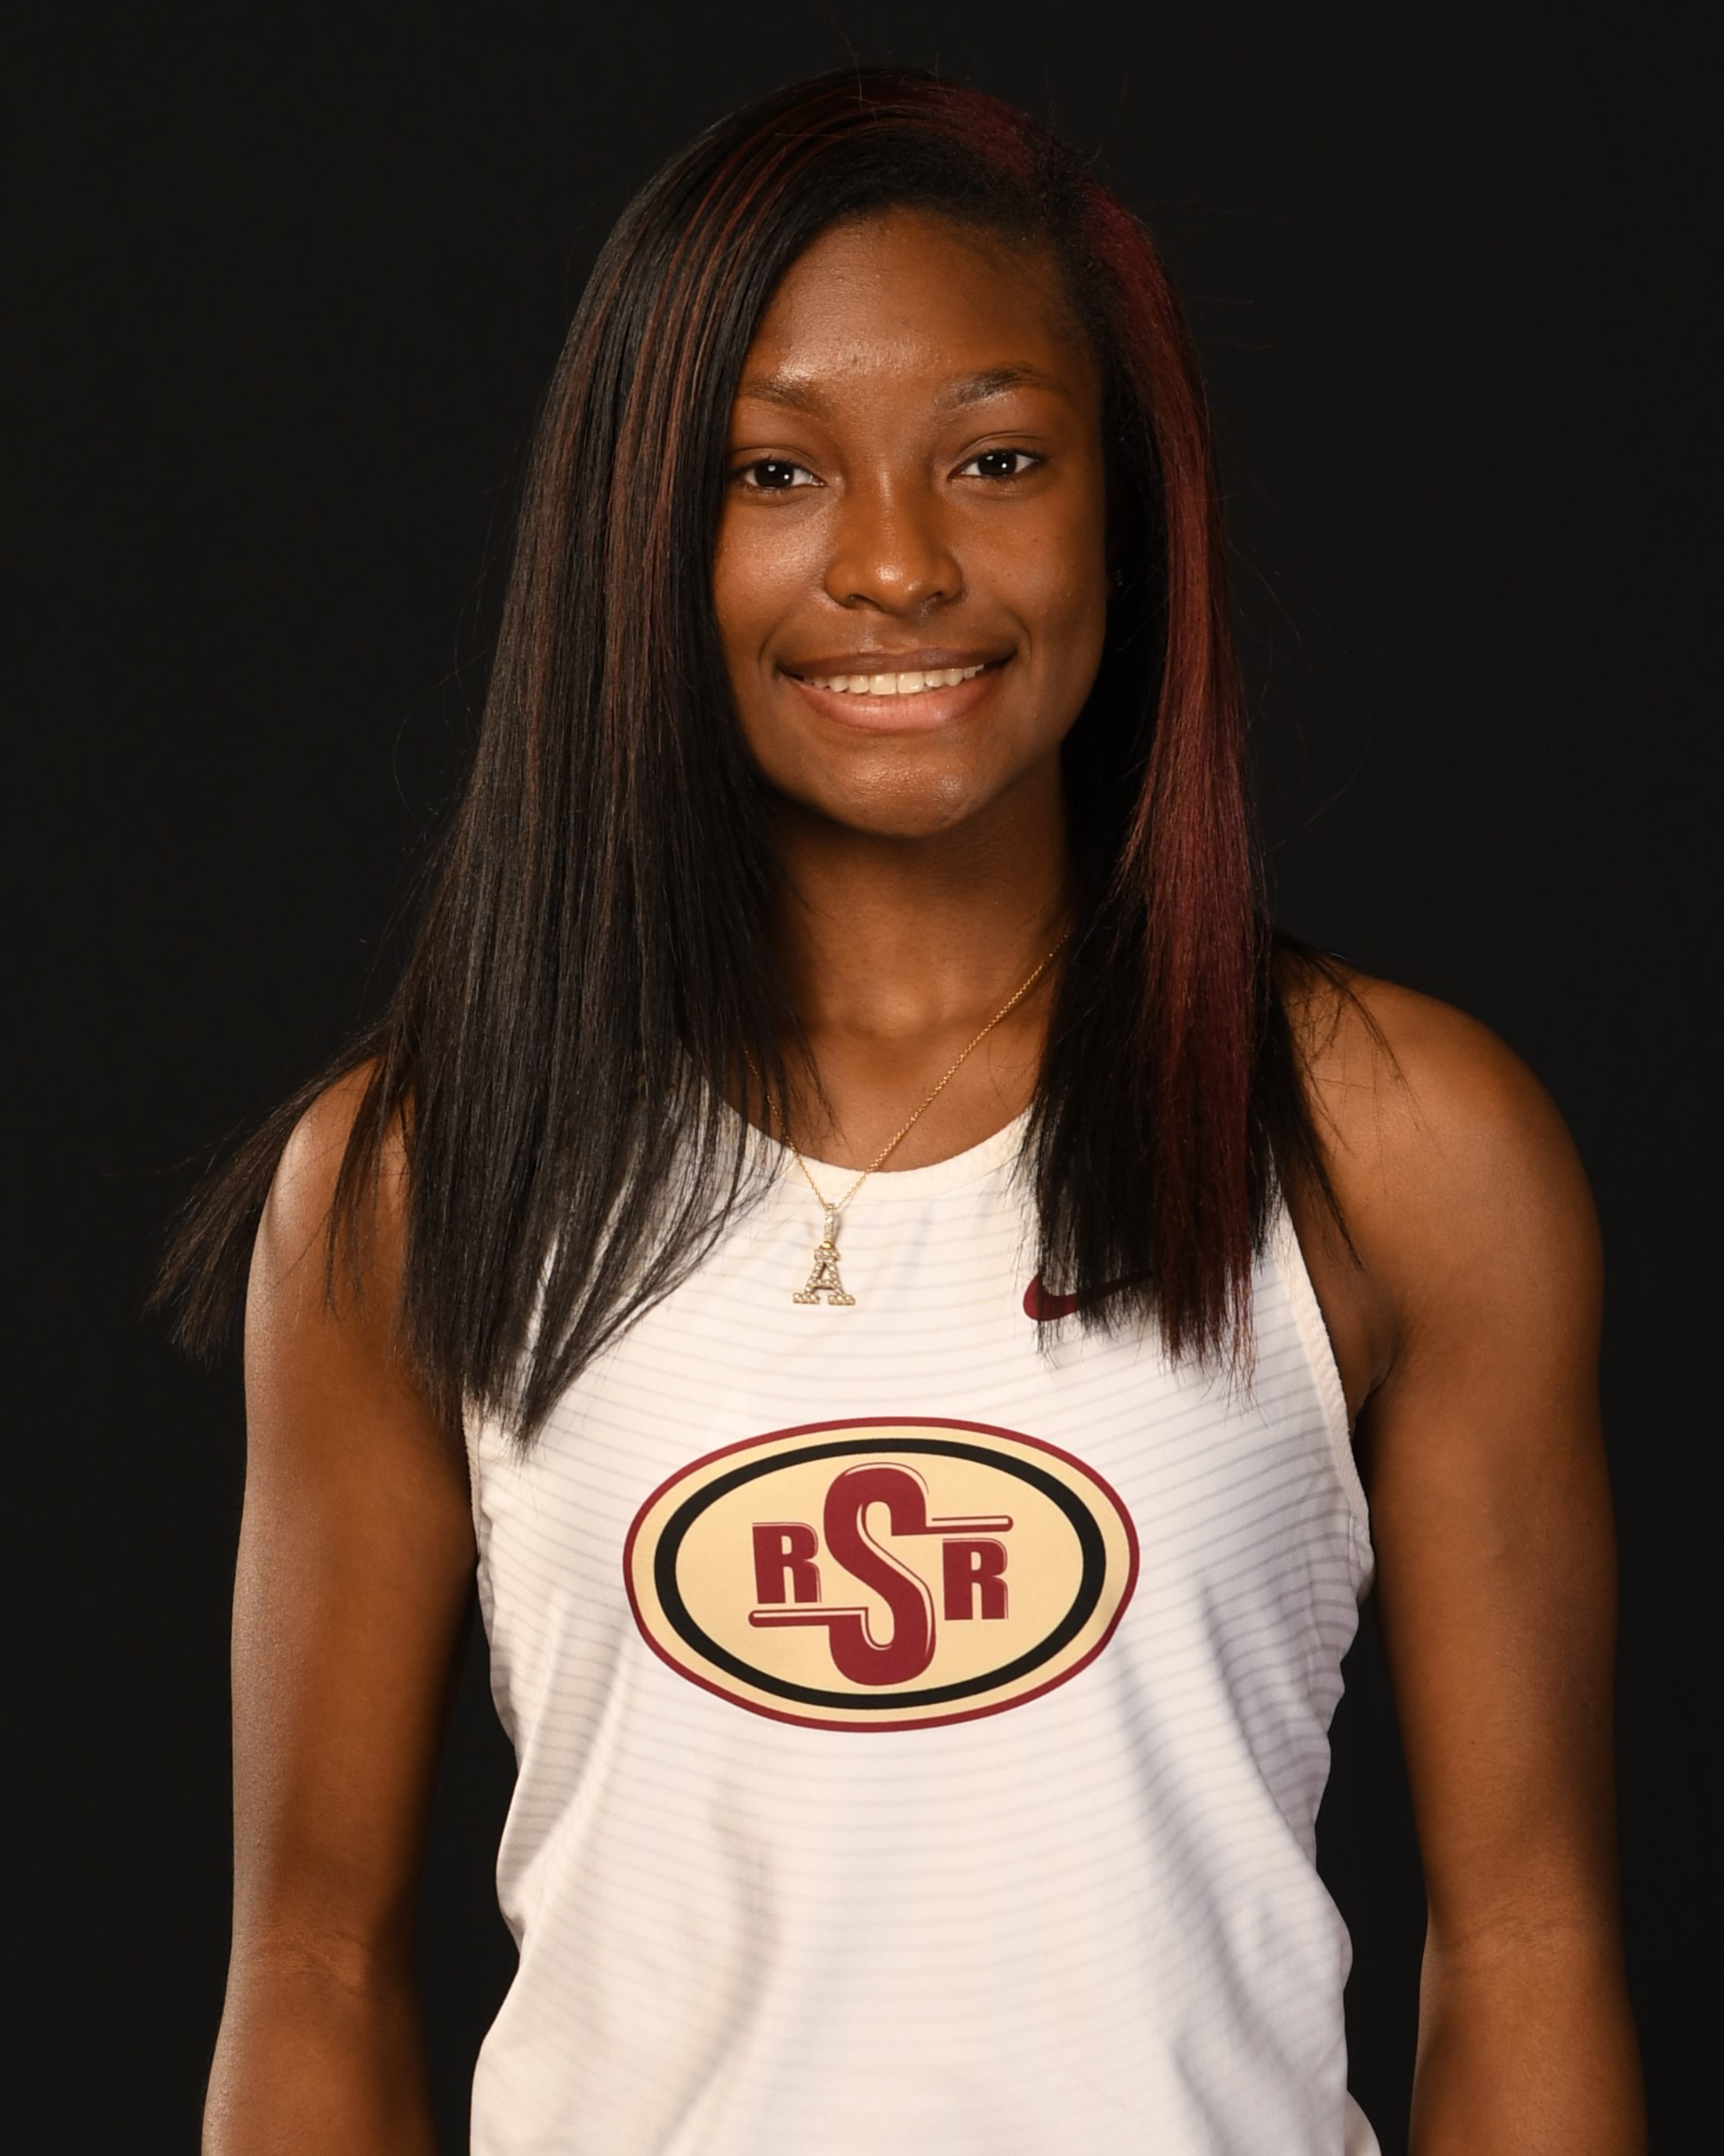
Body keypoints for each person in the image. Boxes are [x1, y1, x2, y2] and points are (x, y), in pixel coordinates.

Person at [161, 68, 1643, 2156]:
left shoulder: (1396, 1145)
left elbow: (1528, 1949)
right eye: (773, 471)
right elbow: (311, 1969)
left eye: (997, 459)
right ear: (642, 532)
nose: (892, 564)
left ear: (1124, 510)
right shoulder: (417, 1180)